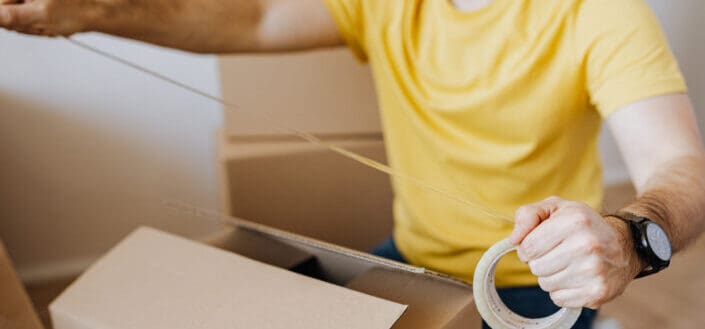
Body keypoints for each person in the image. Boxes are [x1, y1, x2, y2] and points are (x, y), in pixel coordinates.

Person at [2, 0, 704, 327]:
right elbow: (250, 19)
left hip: (528, 287)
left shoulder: (603, 13)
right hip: (407, 255)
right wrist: (92, 11)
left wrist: (627, 238)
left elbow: (681, 165)